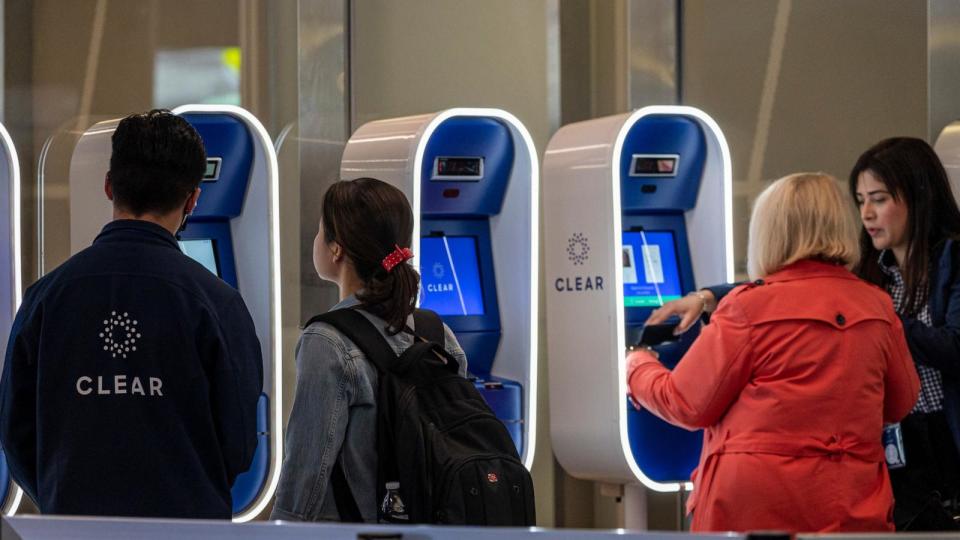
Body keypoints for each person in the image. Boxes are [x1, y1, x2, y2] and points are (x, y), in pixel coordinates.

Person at [0, 110, 263, 519]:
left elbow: (15, 433)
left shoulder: (46, 299)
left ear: (109, 186)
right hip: (189, 530)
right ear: (194, 198)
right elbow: (240, 440)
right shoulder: (218, 303)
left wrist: (62, 494)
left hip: (74, 530)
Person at [627, 173, 919, 532]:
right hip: (852, 506)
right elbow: (901, 401)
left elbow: (686, 403)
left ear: (770, 231)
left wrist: (636, 364)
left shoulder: (747, 307)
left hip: (756, 511)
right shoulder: (877, 305)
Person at [271, 177, 467, 522]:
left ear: (336, 248)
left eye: (320, 230)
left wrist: (281, 530)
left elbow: (306, 471)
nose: (315, 240)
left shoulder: (327, 340)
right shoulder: (437, 333)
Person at [850, 137, 960, 530]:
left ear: (917, 197)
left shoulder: (953, 258)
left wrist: (886, 319)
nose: (866, 214)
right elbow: (799, 290)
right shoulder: (868, 275)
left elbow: (955, 348)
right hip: (897, 447)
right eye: (860, 200)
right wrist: (709, 297)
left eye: (878, 199)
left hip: (946, 434)